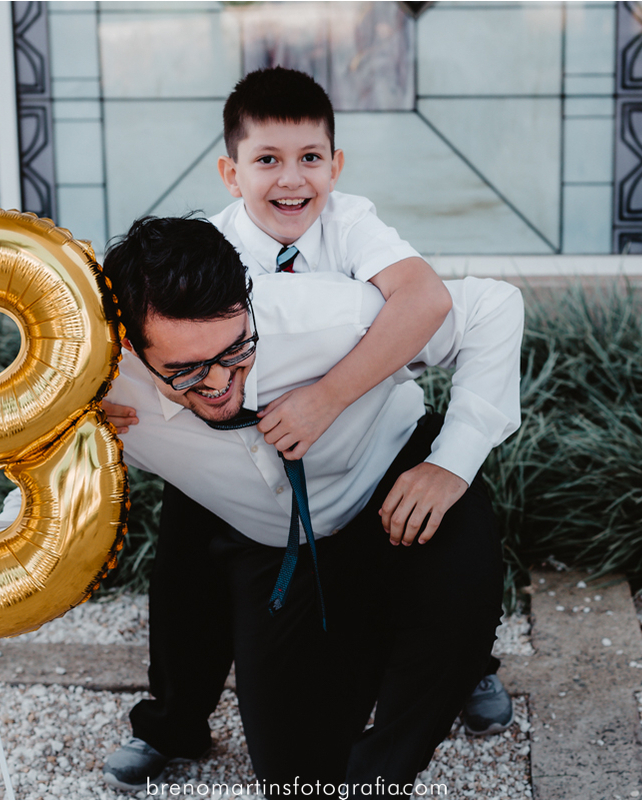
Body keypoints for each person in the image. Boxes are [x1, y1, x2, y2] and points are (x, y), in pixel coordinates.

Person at [0, 215, 524, 797]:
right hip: (283, 550)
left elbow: (491, 309)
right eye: (184, 370)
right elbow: (34, 491)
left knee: (455, 617)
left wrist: (451, 462)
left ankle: (384, 779)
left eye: (233, 350)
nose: (218, 381)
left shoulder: (320, 317)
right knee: (294, 778)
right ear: (128, 346)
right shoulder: (98, 388)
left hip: (393, 479)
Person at [100, 67, 514, 792]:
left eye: (310, 159)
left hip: (372, 436)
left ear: (335, 164)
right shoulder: (200, 270)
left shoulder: (345, 237)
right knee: (185, 576)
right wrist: (85, 427)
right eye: (267, 161)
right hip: (236, 473)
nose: (291, 180)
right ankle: (173, 722)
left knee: (452, 562)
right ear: (231, 172)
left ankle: (464, 665)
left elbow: (428, 302)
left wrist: (330, 395)